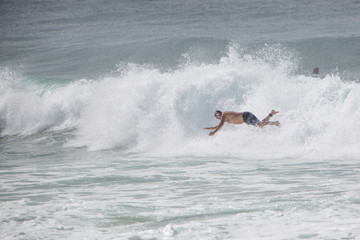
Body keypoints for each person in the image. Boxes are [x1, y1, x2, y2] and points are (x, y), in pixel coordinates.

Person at [204, 110, 280, 136]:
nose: (218, 118)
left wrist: (214, 132)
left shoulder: (224, 114)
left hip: (246, 116)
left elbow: (220, 125)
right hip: (245, 120)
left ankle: (275, 123)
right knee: (261, 124)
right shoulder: (225, 119)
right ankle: (271, 114)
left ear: (219, 114)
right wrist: (211, 128)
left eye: (217, 116)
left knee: (260, 125)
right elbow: (218, 126)